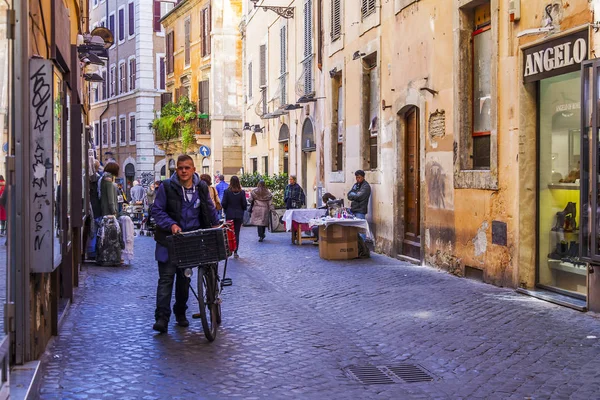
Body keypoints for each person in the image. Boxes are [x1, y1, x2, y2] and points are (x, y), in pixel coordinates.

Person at [152, 155, 220, 333]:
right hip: (168, 241)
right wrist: (171, 225)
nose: (183, 171)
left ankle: (180, 313)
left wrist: (216, 225)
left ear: (193, 170)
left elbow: (209, 209)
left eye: (187, 168)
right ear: (176, 170)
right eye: (180, 168)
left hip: (190, 241)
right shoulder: (166, 187)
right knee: (166, 279)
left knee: (184, 280)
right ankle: (162, 318)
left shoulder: (201, 188)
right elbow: (157, 211)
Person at [96, 162, 124, 266]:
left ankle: (106, 256)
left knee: (105, 235)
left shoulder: (104, 179)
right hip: (109, 213)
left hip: (105, 211)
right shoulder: (108, 181)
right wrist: (114, 211)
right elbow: (111, 199)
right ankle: (111, 257)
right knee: (111, 236)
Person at [221, 176, 247, 259]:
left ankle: (229, 250)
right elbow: (244, 204)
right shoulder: (242, 192)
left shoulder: (227, 192)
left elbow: (223, 203)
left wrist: (226, 209)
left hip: (229, 214)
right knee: (237, 233)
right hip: (239, 214)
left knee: (229, 233)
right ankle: (236, 251)